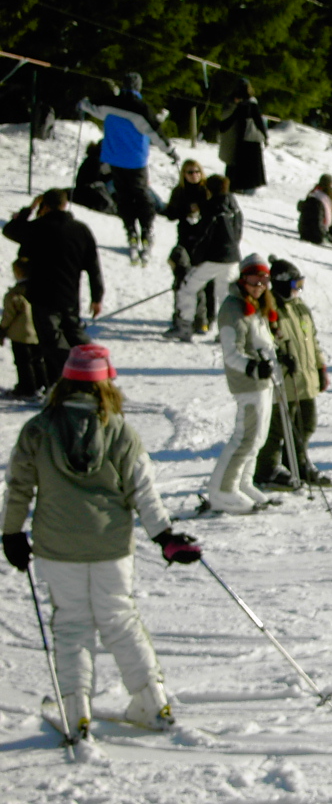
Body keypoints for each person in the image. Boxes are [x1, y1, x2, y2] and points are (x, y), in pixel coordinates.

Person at [2, 343, 202, 738]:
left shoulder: (39, 428)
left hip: (57, 546)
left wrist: (10, 532)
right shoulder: (120, 431)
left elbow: (19, 487)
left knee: (72, 623)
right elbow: (143, 489)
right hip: (111, 545)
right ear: (106, 383)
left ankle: (76, 710)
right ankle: (152, 701)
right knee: (121, 620)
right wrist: (164, 536)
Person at [203, 255, 282, 514]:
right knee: (245, 438)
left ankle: (243, 483)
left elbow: (262, 342)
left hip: (262, 382)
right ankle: (222, 490)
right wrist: (254, 367)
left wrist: (279, 359)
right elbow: (231, 352)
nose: (258, 285)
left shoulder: (256, 304)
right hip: (248, 383)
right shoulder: (233, 308)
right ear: (242, 278)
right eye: (253, 279)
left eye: (263, 280)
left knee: (257, 438)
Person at [2, 189, 103, 380]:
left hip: (42, 295)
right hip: (70, 295)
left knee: (51, 343)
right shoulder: (80, 229)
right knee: (74, 336)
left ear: (45, 206)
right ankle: (93, 367)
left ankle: (68, 379)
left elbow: (10, 230)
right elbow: (93, 266)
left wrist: (29, 209)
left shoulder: (38, 227)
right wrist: (97, 297)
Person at [78, 73, 177, 264]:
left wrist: (82, 104)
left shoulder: (109, 103)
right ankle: (146, 230)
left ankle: (131, 229)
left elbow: (91, 107)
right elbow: (155, 132)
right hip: (135, 161)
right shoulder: (141, 109)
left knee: (124, 197)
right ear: (139, 87)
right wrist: (170, 152)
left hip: (114, 159)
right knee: (141, 195)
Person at [254, 259, 331, 489]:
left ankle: (296, 462)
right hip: (284, 378)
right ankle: (266, 469)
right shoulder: (269, 308)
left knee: (307, 423)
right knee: (277, 427)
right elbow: (261, 340)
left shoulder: (300, 308)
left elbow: (312, 341)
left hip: (305, 376)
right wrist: (278, 356)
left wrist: (320, 367)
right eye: (295, 284)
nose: (299, 289)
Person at [165, 174, 242, 342]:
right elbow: (238, 229)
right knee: (225, 295)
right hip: (233, 257)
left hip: (214, 257)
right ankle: (229, 333)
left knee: (188, 287)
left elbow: (204, 235)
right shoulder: (233, 205)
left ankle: (184, 325)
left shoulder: (211, 207)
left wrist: (196, 258)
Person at [163, 160, 215, 334]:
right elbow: (169, 214)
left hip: (204, 242)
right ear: (183, 175)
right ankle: (181, 316)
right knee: (183, 279)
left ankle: (206, 318)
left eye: (196, 172)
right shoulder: (179, 192)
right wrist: (184, 209)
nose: (194, 175)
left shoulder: (207, 191)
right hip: (185, 240)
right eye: (189, 172)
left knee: (206, 282)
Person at [1, 258, 48, 399]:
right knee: (38, 360)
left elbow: (9, 315)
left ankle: (26, 387)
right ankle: (42, 384)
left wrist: (2, 328)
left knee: (23, 362)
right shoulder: (41, 290)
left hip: (20, 335)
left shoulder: (15, 294)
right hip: (38, 332)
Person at [217, 78, 268, 195]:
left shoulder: (241, 104)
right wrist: (265, 136)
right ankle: (243, 186)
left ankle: (239, 186)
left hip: (243, 138)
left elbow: (230, 120)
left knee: (239, 163)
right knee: (246, 165)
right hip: (248, 139)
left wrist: (222, 127)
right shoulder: (248, 104)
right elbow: (258, 121)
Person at [71, 141, 116, 215]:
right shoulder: (95, 160)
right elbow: (95, 182)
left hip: (91, 187)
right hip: (88, 190)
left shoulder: (98, 159)